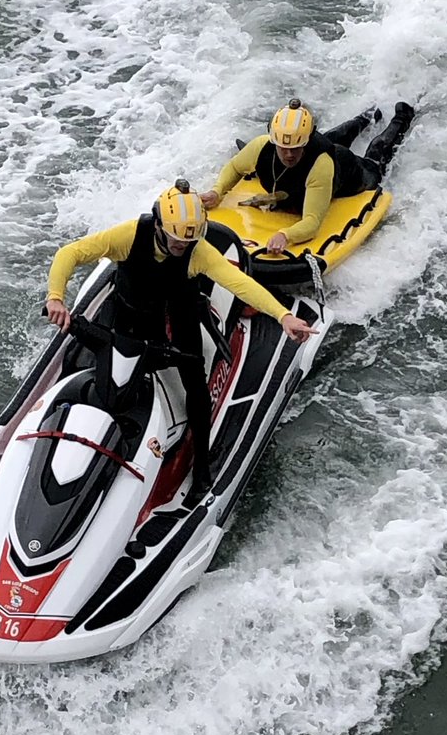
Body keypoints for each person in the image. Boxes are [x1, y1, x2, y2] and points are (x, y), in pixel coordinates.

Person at [45, 185, 318, 499]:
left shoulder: (197, 250)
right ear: (160, 226)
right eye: (177, 238)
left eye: (189, 239)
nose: (183, 245)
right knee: (79, 358)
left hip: (178, 312)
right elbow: (71, 253)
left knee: (196, 386)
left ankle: (201, 461)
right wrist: (56, 297)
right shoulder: (129, 236)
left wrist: (283, 316)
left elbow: (240, 283)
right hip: (129, 311)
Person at [200, 98, 415, 254]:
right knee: (334, 135)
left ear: (306, 141)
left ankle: (402, 117)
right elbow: (235, 168)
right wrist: (217, 191)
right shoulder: (260, 147)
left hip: (346, 171)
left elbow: (312, 221)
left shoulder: (320, 166)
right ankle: (368, 115)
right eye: (283, 147)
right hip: (317, 152)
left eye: (296, 147)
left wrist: (286, 235)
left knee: (375, 158)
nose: (289, 154)